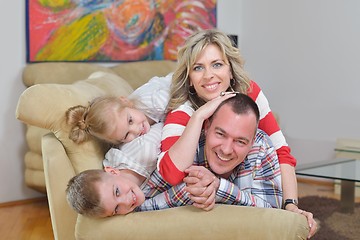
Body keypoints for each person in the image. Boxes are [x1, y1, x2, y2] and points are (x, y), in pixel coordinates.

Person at [156, 29, 317, 238]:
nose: (208, 75)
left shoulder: (249, 91)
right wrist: (199, 117)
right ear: (189, 79)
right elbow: (171, 174)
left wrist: (291, 205)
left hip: (241, 184)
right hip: (195, 193)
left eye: (217, 64)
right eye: (198, 67)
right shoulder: (182, 110)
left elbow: (282, 152)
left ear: (230, 70)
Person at [66, 94, 282, 218]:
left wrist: (217, 187)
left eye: (240, 141)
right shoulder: (171, 152)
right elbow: (175, 189)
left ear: (252, 141)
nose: (226, 149)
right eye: (220, 134)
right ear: (206, 127)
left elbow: (272, 214)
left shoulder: (260, 145)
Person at [65, 72, 172, 186]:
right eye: (126, 135)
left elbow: (183, 95)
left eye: (130, 120)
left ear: (125, 101)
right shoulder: (127, 145)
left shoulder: (154, 101)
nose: (136, 130)